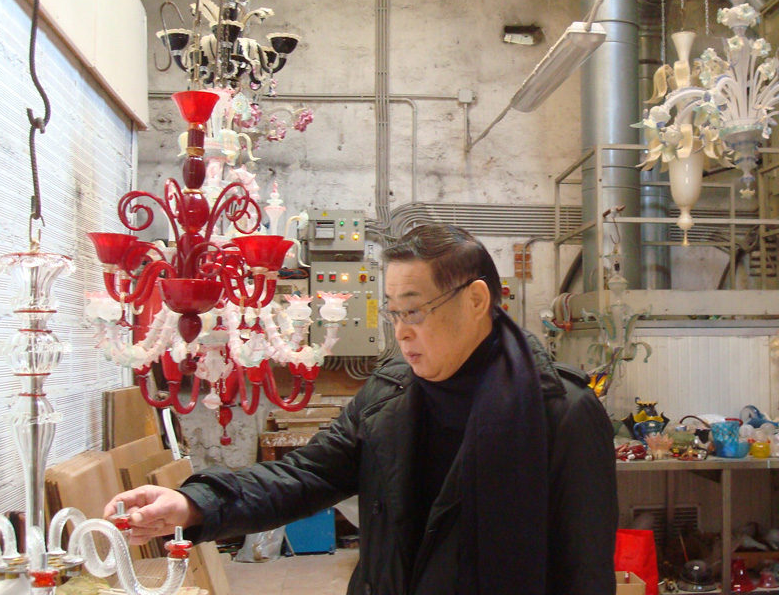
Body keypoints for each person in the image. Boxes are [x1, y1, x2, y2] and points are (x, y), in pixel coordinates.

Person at [104, 223, 618, 595]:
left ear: (477, 300)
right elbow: (305, 475)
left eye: (415, 310)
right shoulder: (391, 392)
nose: (402, 332)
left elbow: (585, 573)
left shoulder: (560, 413)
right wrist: (194, 504)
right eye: (393, 313)